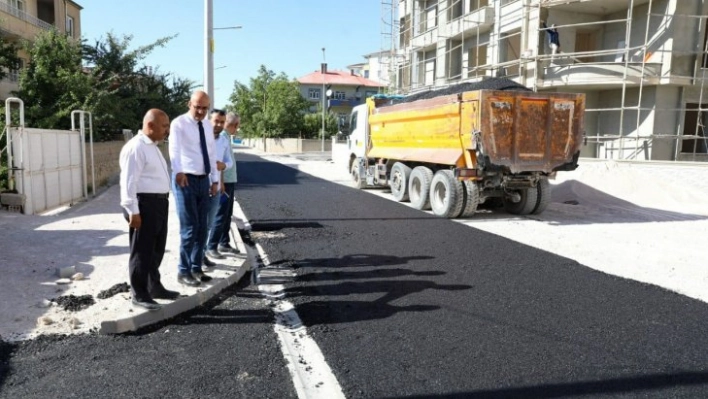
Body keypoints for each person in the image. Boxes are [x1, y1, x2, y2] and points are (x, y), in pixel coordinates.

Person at [119, 109, 179, 311]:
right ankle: (139, 293)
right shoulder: (136, 147)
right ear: (150, 125)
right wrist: (132, 211)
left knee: (156, 249)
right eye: (164, 126)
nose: (167, 131)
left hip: (158, 203)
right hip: (143, 204)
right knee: (141, 251)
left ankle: (154, 286)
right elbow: (128, 182)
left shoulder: (152, 146)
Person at [169, 90, 220, 287]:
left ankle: (196, 267)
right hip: (185, 180)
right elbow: (173, 150)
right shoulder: (178, 124)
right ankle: (183, 271)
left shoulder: (207, 125)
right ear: (189, 104)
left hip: (203, 179)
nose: (200, 111)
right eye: (197, 107)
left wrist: (214, 180)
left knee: (202, 228)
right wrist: (178, 171)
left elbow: (211, 151)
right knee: (189, 228)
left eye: (204, 108)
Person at [206, 111, 241, 258]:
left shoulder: (226, 138)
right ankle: (211, 246)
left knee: (227, 215)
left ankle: (224, 242)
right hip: (224, 182)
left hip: (229, 181)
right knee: (220, 214)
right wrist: (220, 182)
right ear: (234, 125)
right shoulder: (219, 138)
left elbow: (227, 162)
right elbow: (217, 162)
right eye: (237, 125)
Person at [203, 109, 232, 265]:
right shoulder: (200, 137)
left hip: (216, 188)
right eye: (216, 121)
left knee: (208, 224)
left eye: (222, 122)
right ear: (209, 121)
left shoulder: (224, 141)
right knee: (196, 225)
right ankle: (193, 261)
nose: (219, 124)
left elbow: (229, 162)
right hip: (199, 186)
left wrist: (224, 165)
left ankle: (202, 255)